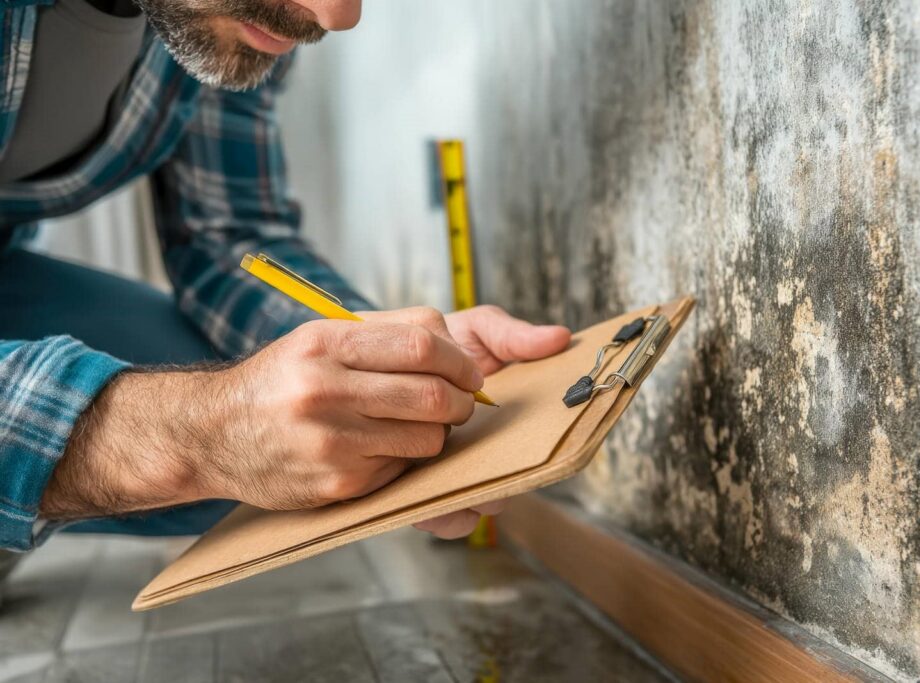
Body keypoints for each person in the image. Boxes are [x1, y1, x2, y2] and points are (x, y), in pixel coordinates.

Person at [0, 0, 571, 571]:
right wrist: (198, 436)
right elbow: (204, 426)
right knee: (231, 430)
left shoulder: (224, 18)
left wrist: (377, 362)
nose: (336, 15)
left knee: (304, 431)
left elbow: (228, 235)